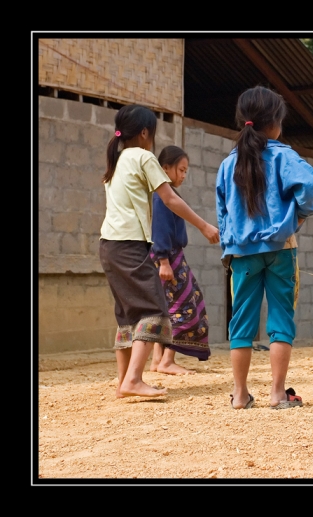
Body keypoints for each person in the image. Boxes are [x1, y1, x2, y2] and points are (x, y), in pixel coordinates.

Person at [99, 105, 219, 399]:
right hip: (129, 245)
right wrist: (204, 226)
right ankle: (133, 380)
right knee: (154, 310)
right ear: (144, 133)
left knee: (128, 315)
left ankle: (123, 382)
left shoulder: (116, 161)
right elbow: (169, 200)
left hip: (109, 246)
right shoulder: (143, 157)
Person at [216, 86, 313, 409]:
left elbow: (223, 210)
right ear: (275, 122)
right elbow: (310, 186)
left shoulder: (226, 165)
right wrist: (297, 217)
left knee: (241, 324)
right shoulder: (284, 155)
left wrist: (229, 242)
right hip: (281, 249)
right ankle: (277, 393)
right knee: (280, 320)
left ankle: (240, 395)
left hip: (242, 253)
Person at [148, 145, 212, 375]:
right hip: (169, 258)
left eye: (186, 171)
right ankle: (167, 360)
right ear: (165, 168)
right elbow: (161, 230)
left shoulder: (165, 195)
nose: (183, 175)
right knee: (183, 306)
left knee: (166, 308)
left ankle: (157, 360)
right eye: (181, 170)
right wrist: (164, 261)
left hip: (170, 256)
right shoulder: (164, 198)